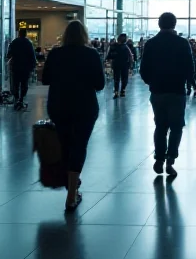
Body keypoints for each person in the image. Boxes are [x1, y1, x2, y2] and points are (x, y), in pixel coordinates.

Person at [42, 21, 105, 210]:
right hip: (84, 106)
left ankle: (71, 181)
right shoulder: (91, 54)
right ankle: (71, 194)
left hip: (59, 105)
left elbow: (45, 79)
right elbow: (100, 84)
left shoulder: (55, 54)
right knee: (79, 146)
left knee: (65, 144)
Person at [140, 13, 194, 176]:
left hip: (158, 90)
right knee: (176, 127)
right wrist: (185, 82)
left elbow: (143, 69)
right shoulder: (182, 43)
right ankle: (171, 159)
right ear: (174, 24)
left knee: (160, 126)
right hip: (176, 91)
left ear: (159, 24)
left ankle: (159, 158)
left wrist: (152, 83)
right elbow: (190, 68)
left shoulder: (151, 43)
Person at [7, 28, 37, 109]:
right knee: (24, 84)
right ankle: (21, 99)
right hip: (25, 68)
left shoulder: (14, 42)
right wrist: (32, 67)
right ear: (26, 34)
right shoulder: (28, 43)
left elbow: (9, 54)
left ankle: (16, 99)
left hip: (15, 67)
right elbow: (32, 56)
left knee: (15, 84)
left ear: (19, 33)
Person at [106, 33, 133, 99]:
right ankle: (121, 91)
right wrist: (130, 65)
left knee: (117, 79)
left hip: (117, 65)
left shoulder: (114, 46)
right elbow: (130, 57)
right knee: (123, 79)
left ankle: (117, 92)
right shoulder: (126, 47)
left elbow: (109, 56)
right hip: (123, 65)